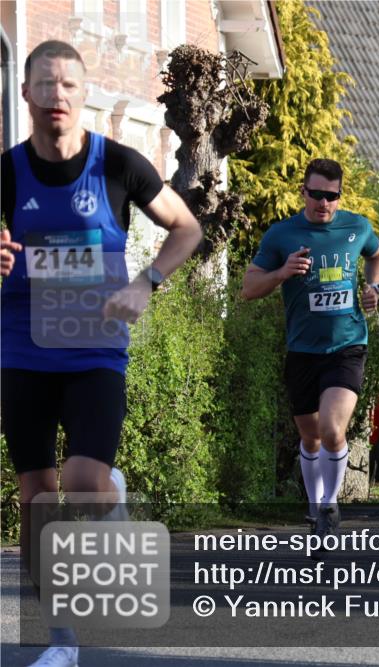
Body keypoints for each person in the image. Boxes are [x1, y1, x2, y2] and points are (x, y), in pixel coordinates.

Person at [0, 40, 202, 667]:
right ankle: (61, 642)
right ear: (26, 94)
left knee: (83, 483)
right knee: (36, 497)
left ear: (83, 94)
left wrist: (147, 281)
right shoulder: (6, 172)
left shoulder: (118, 165)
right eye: (45, 83)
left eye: (68, 84)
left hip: (93, 350)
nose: (57, 95)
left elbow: (188, 227)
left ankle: (109, 492)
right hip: (21, 349)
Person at [242, 158, 379, 545]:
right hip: (303, 350)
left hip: (347, 345)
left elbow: (378, 255)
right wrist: (282, 273)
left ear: (340, 196)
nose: (323, 203)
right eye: (316, 194)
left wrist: (373, 287)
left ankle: (328, 503)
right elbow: (249, 288)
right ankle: (314, 504)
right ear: (303, 192)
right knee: (310, 438)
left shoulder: (356, 227)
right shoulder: (282, 235)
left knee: (331, 428)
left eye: (331, 196)